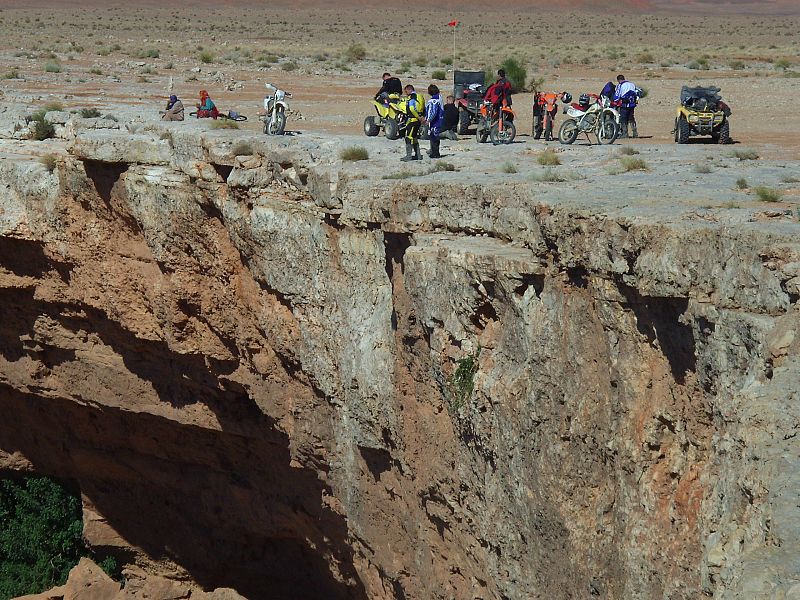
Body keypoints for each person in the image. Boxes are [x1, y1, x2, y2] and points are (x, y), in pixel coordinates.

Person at [401, 84, 424, 162]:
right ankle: (418, 155)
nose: (406, 93)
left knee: (408, 137)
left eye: (406, 91)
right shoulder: (420, 96)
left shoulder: (412, 97)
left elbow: (412, 108)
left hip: (412, 120)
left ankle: (409, 156)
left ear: (409, 89)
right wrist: (422, 117)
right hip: (417, 121)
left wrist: (418, 117)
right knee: (414, 137)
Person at [424, 84, 445, 159]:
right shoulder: (439, 98)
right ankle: (435, 152)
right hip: (439, 120)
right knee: (435, 137)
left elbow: (433, 112)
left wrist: (428, 120)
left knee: (433, 137)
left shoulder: (434, 101)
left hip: (435, 122)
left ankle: (435, 153)